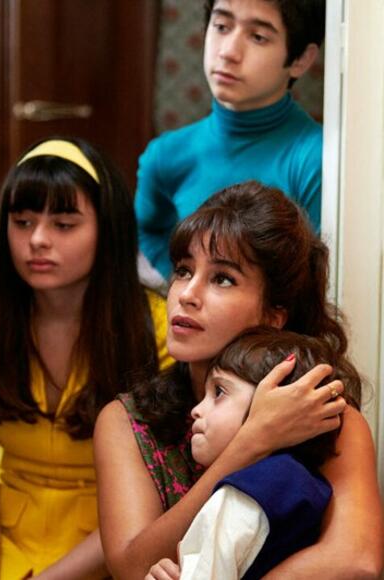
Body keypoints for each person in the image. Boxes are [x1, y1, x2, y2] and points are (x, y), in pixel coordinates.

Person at [95, 181, 383, 580]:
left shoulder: (322, 411)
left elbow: (358, 561)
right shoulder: (129, 420)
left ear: (273, 315)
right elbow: (131, 566)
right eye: (183, 271)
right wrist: (251, 443)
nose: (186, 294)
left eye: (223, 279)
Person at [0, 137, 171, 579]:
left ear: (108, 231)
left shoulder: (160, 328)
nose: (37, 240)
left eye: (64, 224)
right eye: (22, 222)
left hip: (114, 546)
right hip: (3, 540)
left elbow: (160, 497)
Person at [146, 327, 362, 580]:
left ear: (281, 405)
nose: (196, 410)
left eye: (219, 392)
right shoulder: (302, 485)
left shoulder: (239, 497)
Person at [135, 0, 325, 280]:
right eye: (222, 26)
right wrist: (187, 280)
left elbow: (318, 278)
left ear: (301, 60)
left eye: (258, 37)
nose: (228, 52)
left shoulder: (317, 159)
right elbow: (148, 230)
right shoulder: (166, 154)